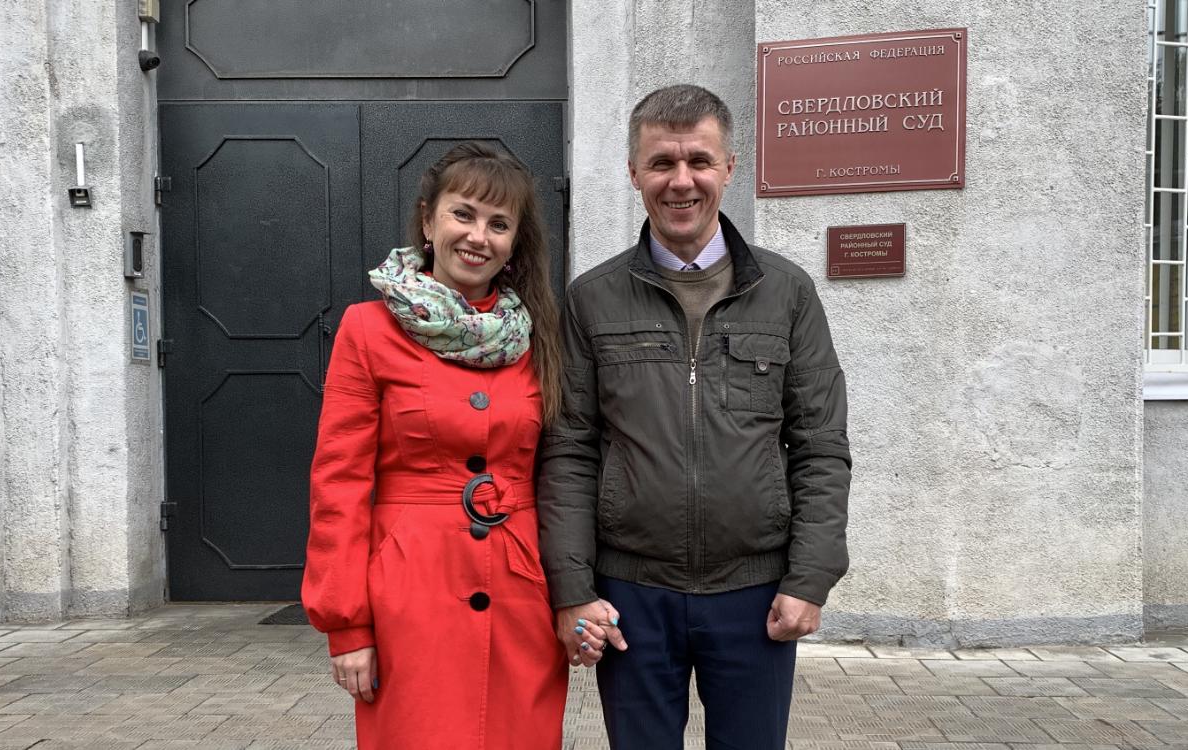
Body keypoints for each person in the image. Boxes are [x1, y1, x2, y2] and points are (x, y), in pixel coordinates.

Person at [537, 84, 853, 749]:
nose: (681, 181)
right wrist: (571, 588)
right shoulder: (592, 299)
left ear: (728, 168)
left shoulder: (787, 293)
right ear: (634, 172)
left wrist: (810, 578)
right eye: (661, 162)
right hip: (631, 594)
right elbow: (569, 452)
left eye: (699, 161)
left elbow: (821, 446)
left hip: (755, 593)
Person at [303, 142, 571, 749]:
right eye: (463, 214)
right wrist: (347, 626)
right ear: (428, 222)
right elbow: (339, 484)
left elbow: (563, 473)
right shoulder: (367, 329)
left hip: (520, 592)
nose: (479, 236)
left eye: (499, 224)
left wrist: (572, 594)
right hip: (409, 592)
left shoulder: (540, 336)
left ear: (515, 243)